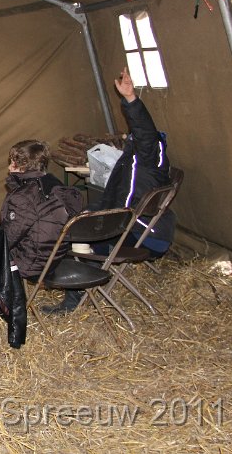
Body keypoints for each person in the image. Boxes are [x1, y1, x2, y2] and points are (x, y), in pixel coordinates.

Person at [42, 67, 175, 314]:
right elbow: (114, 196)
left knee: (72, 239)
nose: (128, 139)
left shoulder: (148, 157)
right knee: (81, 220)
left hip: (142, 235)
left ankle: (75, 299)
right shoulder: (141, 164)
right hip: (144, 230)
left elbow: (145, 133)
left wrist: (131, 100)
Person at [0, 140, 83, 282]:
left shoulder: (23, 197)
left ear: (23, 166)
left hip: (33, 264)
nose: (9, 167)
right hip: (57, 257)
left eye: (12, 163)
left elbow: (8, 238)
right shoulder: (57, 187)